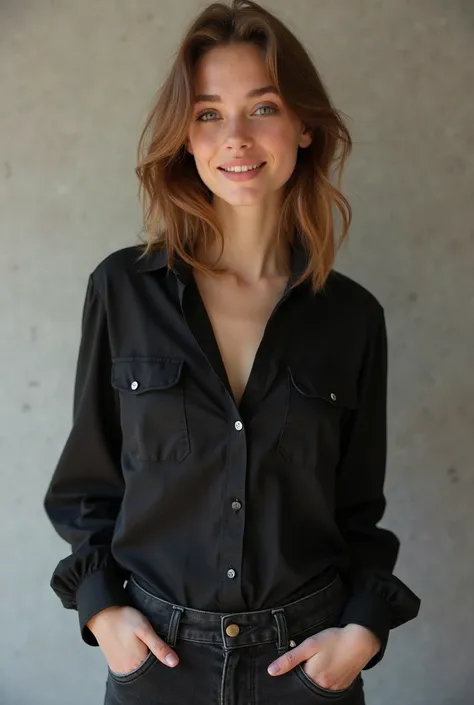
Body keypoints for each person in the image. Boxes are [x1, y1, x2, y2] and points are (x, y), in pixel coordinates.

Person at [43, 1, 421, 703]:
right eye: (210, 113)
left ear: (304, 126)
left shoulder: (353, 317)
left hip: (305, 670)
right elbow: (88, 487)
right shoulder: (123, 290)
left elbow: (358, 510)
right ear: (185, 137)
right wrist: (104, 612)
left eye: (263, 107)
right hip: (158, 666)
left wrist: (361, 633)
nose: (236, 138)